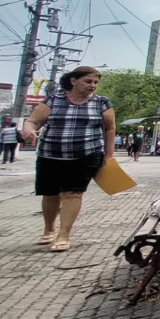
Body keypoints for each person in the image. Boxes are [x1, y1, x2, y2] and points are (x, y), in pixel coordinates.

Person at [21, 66, 115, 252]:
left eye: (95, 82)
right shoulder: (54, 99)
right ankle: (49, 229)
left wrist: (108, 155)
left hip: (86, 155)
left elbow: (110, 128)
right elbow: (33, 120)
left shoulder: (101, 102)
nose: (92, 85)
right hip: (50, 154)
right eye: (88, 81)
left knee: (72, 193)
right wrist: (29, 129)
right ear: (73, 81)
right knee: (50, 194)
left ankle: (64, 235)